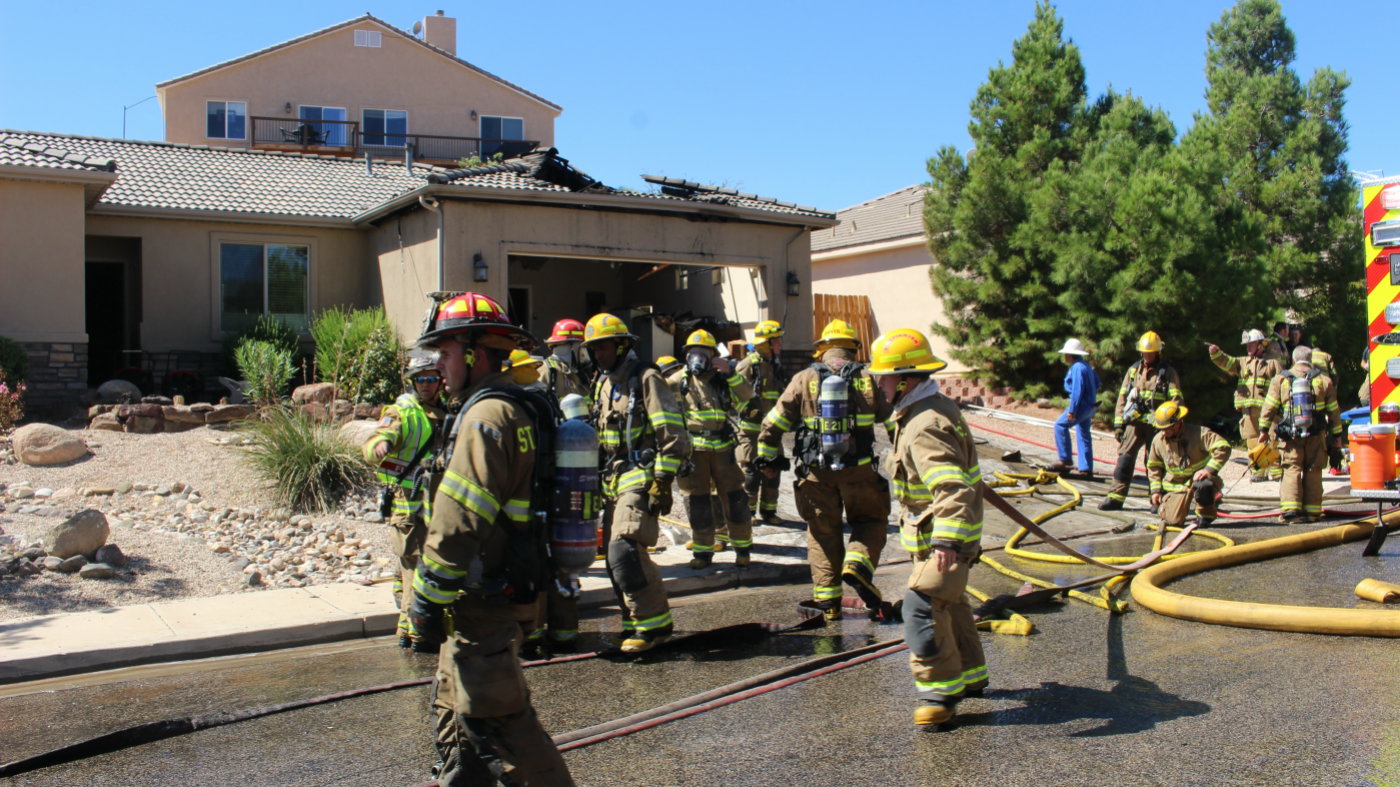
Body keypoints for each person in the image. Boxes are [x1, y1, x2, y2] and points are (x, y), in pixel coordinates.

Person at [405, 291, 574, 786]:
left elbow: (459, 520)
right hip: (499, 586)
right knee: (459, 712)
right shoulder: (518, 406)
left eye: (447, 353)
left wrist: (425, 598)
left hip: (484, 597)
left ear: (475, 355)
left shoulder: (484, 418)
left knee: (501, 720)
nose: (440, 365)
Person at [867, 328, 986, 726]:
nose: (878, 385)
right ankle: (971, 676)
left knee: (919, 607)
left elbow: (951, 487)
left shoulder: (924, 424)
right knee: (951, 604)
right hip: (938, 535)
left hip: (946, 538)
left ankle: (938, 693)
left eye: (883, 377)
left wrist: (948, 541)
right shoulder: (924, 410)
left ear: (906, 378)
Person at [756, 319, 892, 619]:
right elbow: (893, 420)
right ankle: (858, 563)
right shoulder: (868, 379)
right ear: (854, 349)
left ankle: (829, 605)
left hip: (815, 473)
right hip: (859, 471)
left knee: (822, 533)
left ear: (822, 351)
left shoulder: (803, 378)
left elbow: (772, 423)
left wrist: (768, 462)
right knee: (870, 520)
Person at [583, 312, 691, 652]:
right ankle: (633, 620)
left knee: (624, 548)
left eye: (603, 347)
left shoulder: (645, 378)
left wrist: (662, 480)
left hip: (640, 477)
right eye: (593, 349)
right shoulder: (603, 383)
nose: (598, 355)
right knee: (615, 555)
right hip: (611, 481)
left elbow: (673, 434)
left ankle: (654, 624)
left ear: (621, 345)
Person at [362, 353, 449, 649]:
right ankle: (417, 631)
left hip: (436, 504)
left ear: (440, 381)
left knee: (410, 569)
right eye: (421, 380)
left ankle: (407, 626)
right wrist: (380, 445)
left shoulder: (446, 409)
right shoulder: (404, 411)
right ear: (413, 382)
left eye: (431, 379)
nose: (426, 385)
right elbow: (379, 436)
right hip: (409, 507)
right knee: (414, 566)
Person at [666, 329, 755, 568]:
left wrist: (731, 373)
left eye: (703, 354)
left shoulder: (722, 378)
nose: (698, 358)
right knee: (698, 503)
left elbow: (748, 395)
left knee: (735, 499)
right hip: (695, 453)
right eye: (693, 353)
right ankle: (703, 553)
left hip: (724, 450)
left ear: (714, 356)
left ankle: (743, 549)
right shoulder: (677, 381)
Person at [1260, 345, 1344, 522]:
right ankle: (1312, 512)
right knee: (1313, 470)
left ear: (1293, 359)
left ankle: (1291, 511)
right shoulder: (1324, 380)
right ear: (1310, 359)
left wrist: (1263, 430)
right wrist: (1337, 436)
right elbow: (1334, 412)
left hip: (1290, 436)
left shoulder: (1281, 379)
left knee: (1292, 469)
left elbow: (1268, 407)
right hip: (1316, 434)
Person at [1101, 331, 1183, 511]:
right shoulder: (1133, 370)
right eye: (1144, 353)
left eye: (1150, 353)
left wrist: (1172, 423)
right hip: (1135, 423)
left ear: (1158, 352)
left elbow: (1176, 398)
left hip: (1157, 424)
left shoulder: (1167, 373)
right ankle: (1115, 498)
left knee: (1154, 462)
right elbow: (1123, 396)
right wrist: (1118, 424)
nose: (1147, 356)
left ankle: (1156, 500)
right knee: (1124, 458)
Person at [1207, 329, 1282, 482]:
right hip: (1248, 411)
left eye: (1251, 344)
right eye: (1246, 345)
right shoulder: (1242, 363)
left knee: (1273, 439)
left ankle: (1276, 471)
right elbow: (1227, 362)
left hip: (1269, 410)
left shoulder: (1273, 363)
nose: (1248, 347)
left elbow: (1283, 384)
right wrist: (1216, 353)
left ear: (1261, 345)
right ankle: (1259, 472)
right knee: (1252, 440)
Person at [1145, 401, 1230, 531]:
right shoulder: (1158, 441)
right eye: (1162, 429)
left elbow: (1223, 447)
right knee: (1173, 521)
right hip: (1176, 487)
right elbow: (1153, 466)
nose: (1164, 432)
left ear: (1178, 423)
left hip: (1198, 482)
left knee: (1204, 485)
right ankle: (1168, 506)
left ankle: (1206, 514)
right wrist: (1156, 491)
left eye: (1167, 428)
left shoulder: (1198, 434)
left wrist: (1208, 470)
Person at [736, 320, 787, 526]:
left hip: (772, 430)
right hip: (751, 431)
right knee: (751, 473)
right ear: (766, 343)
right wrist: (749, 410)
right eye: (777, 341)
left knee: (773, 471)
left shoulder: (774, 364)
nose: (780, 344)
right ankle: (748, 513)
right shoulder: (748, 365)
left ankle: (769, 512)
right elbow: (734, 396)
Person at [1049, 338, 1098, 477]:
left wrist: (1072, 410)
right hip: (1090, 405)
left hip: (1081, 405)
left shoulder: (1077, 367)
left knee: (1060, 425)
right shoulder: (1086, 366)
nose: (1064, 356)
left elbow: (1077, 390)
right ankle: (1086, 467)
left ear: (1070, 355)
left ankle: (1065, 459)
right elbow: (1097, 383)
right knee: (1083, 433)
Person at [541, 318, 590, 403]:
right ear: (570, 347)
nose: (584, 354)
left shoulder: (577, 373)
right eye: (582, 348)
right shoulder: (547, 370)